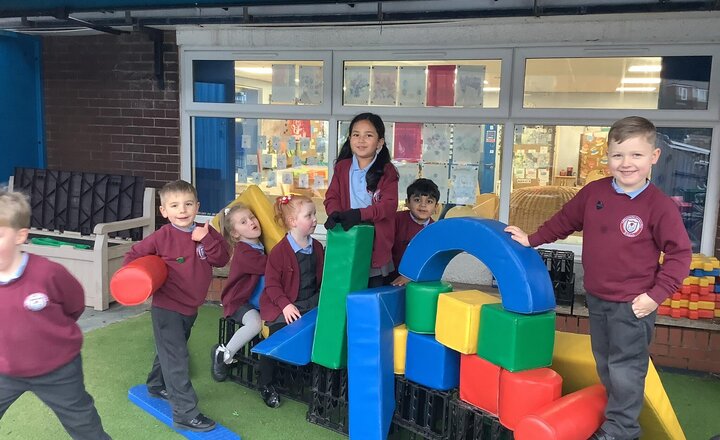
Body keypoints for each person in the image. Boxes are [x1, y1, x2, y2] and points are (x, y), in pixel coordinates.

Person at [504, 116, 692, 440]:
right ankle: (615, 421)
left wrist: (654, 296)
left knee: (626, 369)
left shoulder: (659, 206)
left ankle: (622, 431)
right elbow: (564, 220)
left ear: (654, 157)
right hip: (598, 299)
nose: (626, 163)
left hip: (634, 304)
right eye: (618, 155)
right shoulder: (595, 193)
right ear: (607, 156)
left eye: (636, 155)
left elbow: (680, 255)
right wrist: (532, 239)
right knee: (605, 364)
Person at [0, 190, 111, 440]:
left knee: (85, 426)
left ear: (20, 236)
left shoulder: (48, 273)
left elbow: (74, 304)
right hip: (5, 371)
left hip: (58, 369)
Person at [123, 180, 229, 433]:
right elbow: (133, 257)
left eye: (188, 204)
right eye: (174, 205)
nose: (182, 210)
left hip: (190, 308)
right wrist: (139, 280)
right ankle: (185, 413)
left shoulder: (206, 232)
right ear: (164, 211)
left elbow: (222, 258)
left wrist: (207, 240)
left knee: (170, 351)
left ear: (197, 206)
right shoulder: (162, 237)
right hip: (167, 308)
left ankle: (156, 384)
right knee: (177, 357)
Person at [258, 194, 324, 408]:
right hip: (282, 305)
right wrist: (286, 305)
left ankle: (312, 381)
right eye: (309, 215)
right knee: (277, 336)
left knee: (320, 331)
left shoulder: (318, 248)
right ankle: (266, 384)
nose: (314, 219)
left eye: (314, 214)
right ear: (293, 222)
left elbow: (321, 279)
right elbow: (272, 285)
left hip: (309, 302)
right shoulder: (279, 251)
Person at [324, 112, 399, 287]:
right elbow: (332, 196)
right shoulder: (342, 167)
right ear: (350, 139)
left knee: (369, 297)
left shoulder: (387, 171)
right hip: (347, 239)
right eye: (356, 135)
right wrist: (334, 213)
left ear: (380, 142)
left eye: (369, 135)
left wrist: (359, 214)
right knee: (343, 293)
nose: (361, 140)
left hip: (375, 244)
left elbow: (388, 206)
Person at [211, 203, 265, 382]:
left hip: (252, 300)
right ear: (235, 233)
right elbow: (269, 267)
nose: (251, 222)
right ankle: (223, 355)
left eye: (252, 217)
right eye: (243, 222)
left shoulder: (258, 246)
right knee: (255, 324)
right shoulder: (245, 252)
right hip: (238, 302)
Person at [389, 178, 440, 286]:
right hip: (390, 278)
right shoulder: (395, 220)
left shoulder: (435, 230)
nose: (423, 205)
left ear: (436, 207)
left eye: (429, 201)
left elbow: (432, 261)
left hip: (419, 280)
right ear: (407, 202)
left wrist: (411, 276)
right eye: (417, 200)